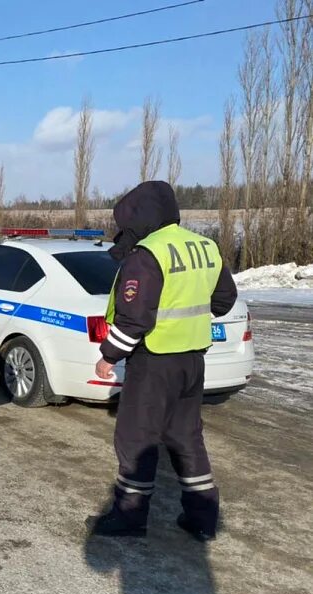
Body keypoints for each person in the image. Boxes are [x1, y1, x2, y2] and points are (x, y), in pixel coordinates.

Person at [90, 180, 238, 541]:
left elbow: (135, 319)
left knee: (136, 438)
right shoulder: (205, 247)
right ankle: (202, 518)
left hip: (155, 362)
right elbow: (224, 300)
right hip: (192, 361)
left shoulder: (147, 253)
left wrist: (108, 357)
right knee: (186, 437)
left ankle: (129, 517)